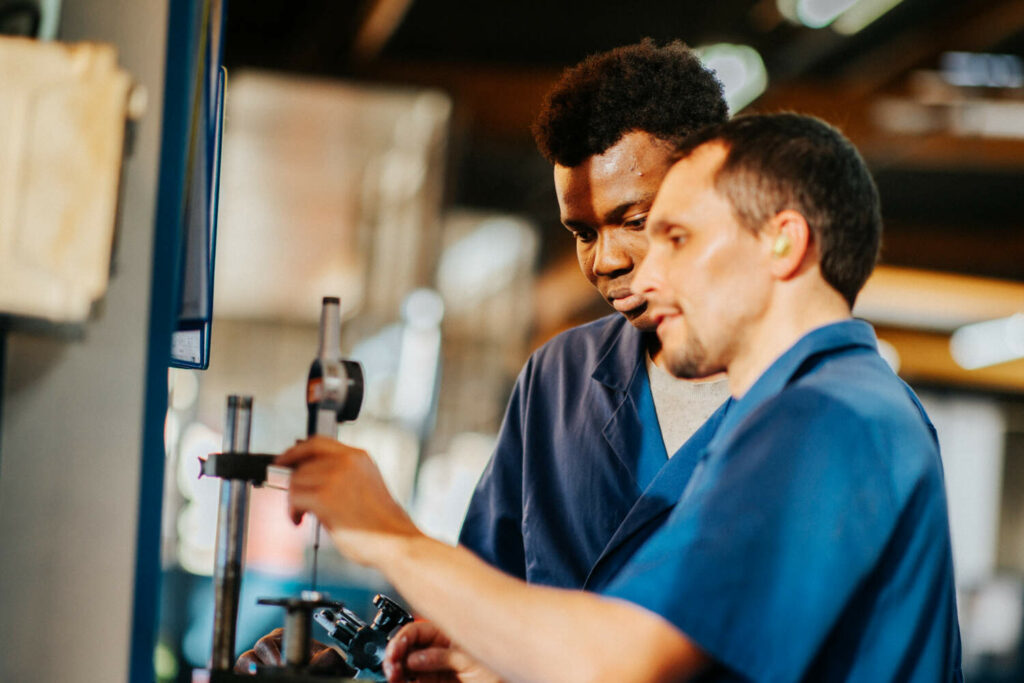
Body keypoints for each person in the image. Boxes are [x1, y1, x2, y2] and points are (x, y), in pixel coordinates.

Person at [278, 112, 963, 682]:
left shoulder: (826, 420)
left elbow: (626, 656)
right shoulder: (814, 408)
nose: (639, 270)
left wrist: (386, 534)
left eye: (677, 237)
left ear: (783, 242)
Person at [237, 39, 730, 673]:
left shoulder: (803, 408)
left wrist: (392, 539)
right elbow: (482, 603)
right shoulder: (558, 380)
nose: (605, 261)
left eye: (634, 218)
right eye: (582, 233)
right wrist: (410, 656)